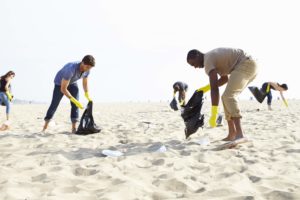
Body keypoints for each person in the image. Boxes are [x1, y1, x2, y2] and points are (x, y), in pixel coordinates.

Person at [187, 48, 258, 142]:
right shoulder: (212, 59)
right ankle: (232, 134)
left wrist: (214, 113)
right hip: (249, 65)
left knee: (228, 96)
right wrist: (205, 88)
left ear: (197, 56)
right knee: (225, 98)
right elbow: (224, 79)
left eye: (193, 64)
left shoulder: (207, 61)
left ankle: (240, 134)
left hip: (245, 64)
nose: (195, 67)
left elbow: (214, 89)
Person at [42, 55, 95, 133]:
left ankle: (74, 129)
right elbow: (63, 89)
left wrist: (87, 94)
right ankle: (45, 127)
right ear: (82, 63)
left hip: (73, 82)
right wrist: (74, 100)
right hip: (60, 84)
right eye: (87, 67)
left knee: (75, 106)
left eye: (90, 68)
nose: (88, 69)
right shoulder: (70, 69)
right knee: (54, 104)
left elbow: (85, 83)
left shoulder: (87, 69)